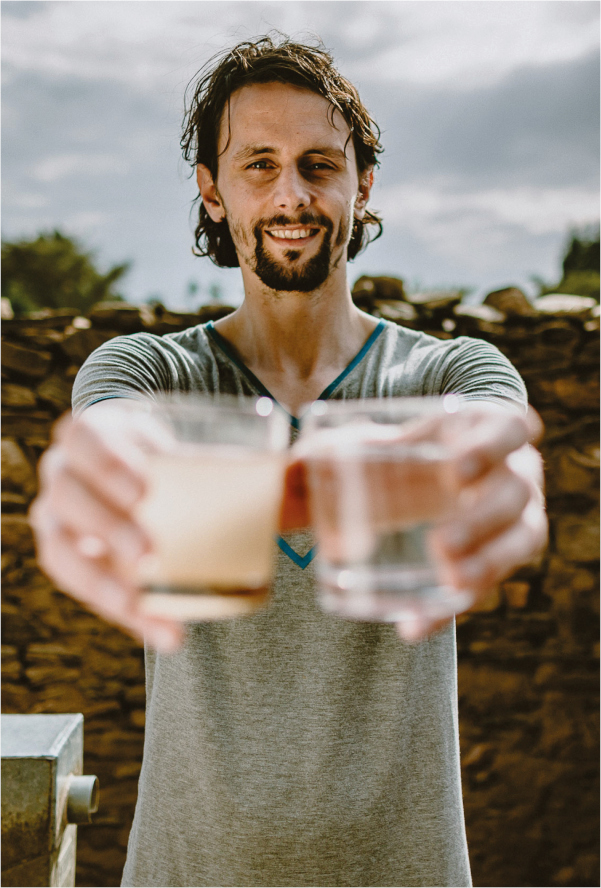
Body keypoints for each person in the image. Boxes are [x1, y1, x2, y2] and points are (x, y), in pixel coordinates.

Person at [31, 35, 547, 888]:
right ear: (211, 190)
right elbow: (122, 451)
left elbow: (492, 452)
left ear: (361, 184)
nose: (291, 194)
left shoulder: (452, 373)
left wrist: (498, 480)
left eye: (318, 164)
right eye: (258, 165)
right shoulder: (146, 372)